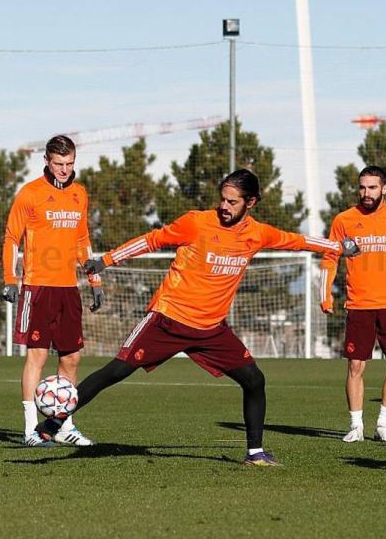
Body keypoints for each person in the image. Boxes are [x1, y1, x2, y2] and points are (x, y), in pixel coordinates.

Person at [35, 169, 357, 466]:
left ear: (251, 203)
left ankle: (255, 452)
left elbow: (297, 240)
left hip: (211, 330)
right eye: (222, 199)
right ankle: (54, 422)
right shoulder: (196, 222)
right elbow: (152, 239)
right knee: (115, 371)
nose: (224, 207)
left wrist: (338, 247)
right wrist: (106, 260)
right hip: (168, 319)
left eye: (232, 202)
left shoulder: (257, 234)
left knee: (254, 380)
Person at [1, 135, 103, 447]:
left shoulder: (79, 193)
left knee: (71, 359)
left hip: (68, 288)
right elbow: (11, 238)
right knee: (37, 356)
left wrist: (95, 280)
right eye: (59, 163)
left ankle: (63, 426)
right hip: (38, 287)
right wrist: (10, 278)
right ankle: (30, 430)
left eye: (69, 163)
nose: (64, 169)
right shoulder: (30, 193)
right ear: (46, 161)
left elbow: (82, 239)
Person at [320, 165, 386, 444]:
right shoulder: (344, 220)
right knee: (356, 366)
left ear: (384, 188)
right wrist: (325, 293)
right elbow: (330, 258)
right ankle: (356, 426)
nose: (366, 193)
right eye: (362, 187)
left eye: (372, 187)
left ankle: (383, 424)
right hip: (359, 305)